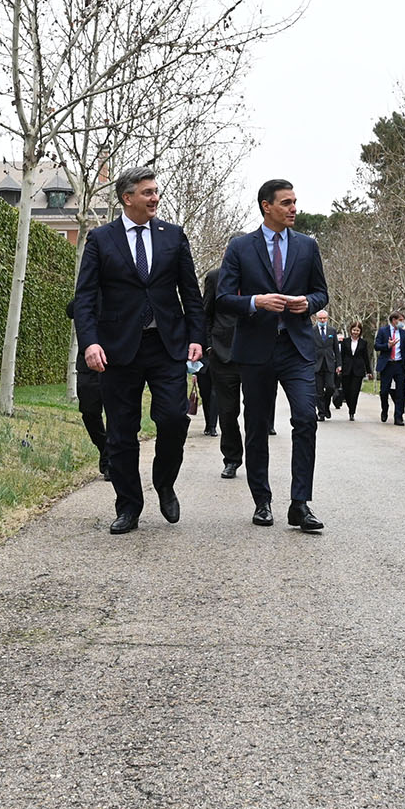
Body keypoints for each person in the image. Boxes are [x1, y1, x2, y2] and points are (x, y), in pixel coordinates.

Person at [72, 167, 205, 534]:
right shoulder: (101, 239)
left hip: (167, 344)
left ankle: (164, 483)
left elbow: (190, 293)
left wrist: (197, 337)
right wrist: (91, 342)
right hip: (117, 349)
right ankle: (129, 505)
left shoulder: (173, 236)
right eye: (147, 192)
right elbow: (84, 297)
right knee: (121, 432)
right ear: (127, 197)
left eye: (156, 191)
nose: (155, 198)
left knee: (175, 419)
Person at [216, 178, 330, 531]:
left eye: (295, 201)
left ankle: (300, 504)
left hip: (296, 348)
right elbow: (222, 298)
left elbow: (321, 293)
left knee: (305, 420)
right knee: (256, 427)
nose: (294, 208)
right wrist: (256, 301)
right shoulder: (240, 247)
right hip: (255, 350)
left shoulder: (308, 246)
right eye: (286, 203)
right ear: (267, 206)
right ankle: (262, 501)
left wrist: (306, 303)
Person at [200, 262, 245, 478]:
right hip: (221, 353)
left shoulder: (259, 276)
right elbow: (206, 313)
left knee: (256, 413)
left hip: (253, 354)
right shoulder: (215, 277)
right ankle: (232, 459)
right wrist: (209, 344)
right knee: (227, 412)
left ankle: (255, 461)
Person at [66, 298, 110, 475]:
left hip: (117, 359)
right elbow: (71, 310)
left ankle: (111, 461)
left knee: (117, 413)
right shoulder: (89, 292)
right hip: (88, 362)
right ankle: (105, 448)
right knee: (89, 410)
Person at [373, 312, 405, 425]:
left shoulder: (404, 334)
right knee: (384, 391)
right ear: (394, 320)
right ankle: (385, 409)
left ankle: (398, 416)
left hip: (399, 364)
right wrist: (388, 346)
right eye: (400, 320)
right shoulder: (383, 331)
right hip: (387, 364)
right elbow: (376, 346)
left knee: (400, 391)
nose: (402, 322)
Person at [336, 320, 370, 421]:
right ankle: (350, 406)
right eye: (354, 330)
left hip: (358, 370)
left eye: (357, 330)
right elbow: (341, 356)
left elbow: (366, 358)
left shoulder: (363, 343)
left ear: (360, 331)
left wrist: (369, 371)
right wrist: (339, 366)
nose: (355, 332)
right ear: (351, 330)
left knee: (354, 392)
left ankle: (352, 412)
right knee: (346, 392)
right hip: (346, 369)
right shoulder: (345, 342)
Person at [313, 310, 338, 421]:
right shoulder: (311, 331)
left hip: (329, 364)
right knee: (318, 391)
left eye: (324, 318)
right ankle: (321, 413)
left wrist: (339, 364)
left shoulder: (332, 331)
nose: (322, 320)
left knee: (330, 387)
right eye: (320, 318)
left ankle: (326, 406)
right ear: (316, 319)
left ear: (327, 319)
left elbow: (336, 349)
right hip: (316, 364)